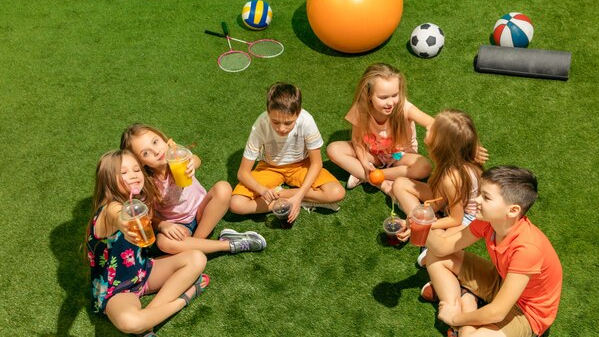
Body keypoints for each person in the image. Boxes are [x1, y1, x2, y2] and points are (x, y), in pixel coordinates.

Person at [420, 166, 562, 337]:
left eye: (486, 198)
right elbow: (442, 246)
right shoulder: (487, 222)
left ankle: (466, 303)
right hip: (503, 284)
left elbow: (497, 312)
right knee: (435, 255)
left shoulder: (527, 249)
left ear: (512, 210)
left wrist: (457, 317)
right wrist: (420, 224)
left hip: (528, 313)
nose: (476, 201)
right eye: (480, 194)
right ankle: (457, 303)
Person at [86, 150, 210, 337]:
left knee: (197, 258)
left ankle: (149, 319)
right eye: (123, 173)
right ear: (108, 180)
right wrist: (125, 224)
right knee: (130, 323)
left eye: (136, 169)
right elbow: (118, 215)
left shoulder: (139, 201)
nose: (134, 175)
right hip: (116, 291)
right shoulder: (110, 209)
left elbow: (191, 157)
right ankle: (186, 296)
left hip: (144, 270)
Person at [121, 123, 266, 254]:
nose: (156, 151)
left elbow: (196, 159)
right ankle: (228, 244)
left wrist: (192, 164)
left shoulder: (176, 156)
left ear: (162, 138)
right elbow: (149, 217)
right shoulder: (146, 184)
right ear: (140, 163)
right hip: (180, 225)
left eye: (155, 141)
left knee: (224, 188)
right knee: (163, 242)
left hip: (203, 210)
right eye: (145, 153)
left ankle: (195, 245)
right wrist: (164, 225)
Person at [229, 82, 345, 225]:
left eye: (288, 123)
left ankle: (291, 198)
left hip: (302, 165)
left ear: (299, 112)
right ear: (267, 111)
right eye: (275, 122)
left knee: (337, 192)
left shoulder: (306, 121)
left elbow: (316, 163)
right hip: (269, 167)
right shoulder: (260, 125)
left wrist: (298, 195)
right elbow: (242, 173)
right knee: (236, 204)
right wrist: (263, 191)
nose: (281, 129)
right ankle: (306, 200)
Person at [326, 63, 434, 196]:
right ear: (369, 95)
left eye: (395, 95)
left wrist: (431, 135)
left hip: (400, 155)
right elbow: (357, 140)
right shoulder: (361, 109)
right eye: (383, 97)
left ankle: (370, 175)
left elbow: (432, 124)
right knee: (333, 149)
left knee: (424, 167)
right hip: (373, 154)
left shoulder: (404, 108)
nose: (390, 103)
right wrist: (364, 161)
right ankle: (385, 186)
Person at [393, 109, 484, 263]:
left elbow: (456, 219)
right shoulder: (451, 161)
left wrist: (419, 225)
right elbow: (441, 197)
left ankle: (428, 230)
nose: (428, 126)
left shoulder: (452, 177)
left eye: (432, 128)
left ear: (441, 144)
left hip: (468, 217)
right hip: (448, 200)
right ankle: (426, 223)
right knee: (400, 184)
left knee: (432, 253)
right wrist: (420, 219)